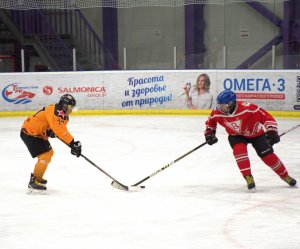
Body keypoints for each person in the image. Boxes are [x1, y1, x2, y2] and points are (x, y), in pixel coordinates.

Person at [204, 89, 297, 191]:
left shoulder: (248, 108)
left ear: (232, 103)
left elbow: (266, 117)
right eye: (220, 105)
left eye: (224, 105)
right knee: (239, 152)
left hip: (256, 134)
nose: (221, 108)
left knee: (268, 156)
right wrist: (210, 133)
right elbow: (210, 122)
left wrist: (272, 131)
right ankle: (248, 177)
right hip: (236, 136)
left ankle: (285, 175)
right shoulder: (217, 112)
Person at [20, 94, 82, 194]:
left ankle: (37, 178)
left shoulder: (63, 116)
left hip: (38, 133)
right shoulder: (55, 111)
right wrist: (72, 143)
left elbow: (58, 128)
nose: (71, 110)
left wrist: (49, 131)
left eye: (72, 108)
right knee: (45, 155)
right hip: (30, 132)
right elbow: (59, 130)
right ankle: (34, 182)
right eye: (70, 107)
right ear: (64, 105)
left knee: (49, 153)